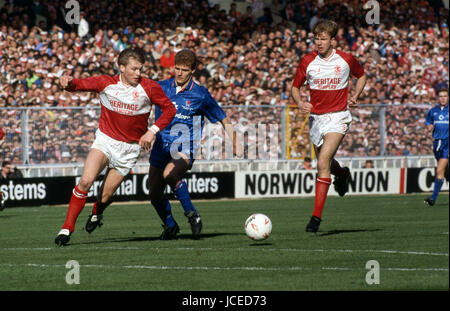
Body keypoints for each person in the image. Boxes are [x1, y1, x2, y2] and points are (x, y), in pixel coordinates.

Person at [54, 47, 176, 246]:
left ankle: (97, 211)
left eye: (140, 69)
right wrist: (67, 82)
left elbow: (170, 109)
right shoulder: (106, 83)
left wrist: (151, 131)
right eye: (134, 69)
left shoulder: (149, 87)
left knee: (106, 196)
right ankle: (67, 229)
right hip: (105, 141)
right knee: (85, 181)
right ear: (121, 67)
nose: (138, 73)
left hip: (129, 150)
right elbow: (79, 85)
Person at [291, 19, 367, 233]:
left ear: (333, 40)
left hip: (338, 117)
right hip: (316, 119)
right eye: (316, 38)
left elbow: (361, 76)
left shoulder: (345, 59)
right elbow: (295, 87)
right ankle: (342, 174)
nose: (319, 42)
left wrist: (356, 94)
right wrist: (299, 103)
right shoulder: (307, 61)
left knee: (322, 161)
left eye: (323, 39)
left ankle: (315, 218)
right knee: (326, 162)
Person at [424, 88, 449, 206]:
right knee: (444, 171)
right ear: (438, 98)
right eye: (441, 96)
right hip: (437, 144)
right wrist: (429, 127)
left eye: (445, 96)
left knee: (439, 170)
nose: (443, 98)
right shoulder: (433, 111)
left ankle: (433, 198)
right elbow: (428, 122)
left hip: (447, 143)